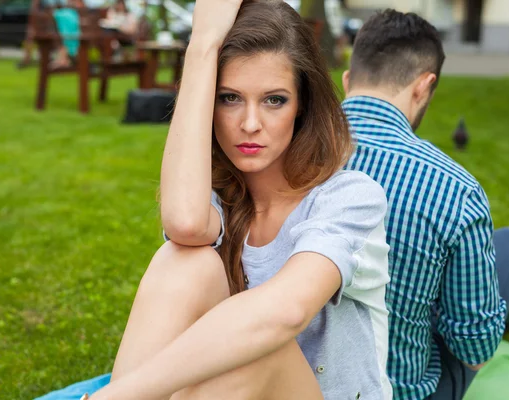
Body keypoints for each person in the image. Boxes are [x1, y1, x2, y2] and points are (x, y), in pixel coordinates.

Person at [85, 0, 391, 399]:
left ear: (302, 106)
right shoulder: (219, 199)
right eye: (229, 98)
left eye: (274, 100)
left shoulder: (350, 197)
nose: (250, 123)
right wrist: (201, 48)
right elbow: (186, 226)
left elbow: (285, 313)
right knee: (184, 261)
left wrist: (121, 394)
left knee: (259, 348)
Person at [341, 9, 509, 400]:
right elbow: (475, 352)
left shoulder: (283, 156)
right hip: (404, 389)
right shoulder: (454, 189)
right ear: (423, 86)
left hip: (297, 379)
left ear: (347, 80)